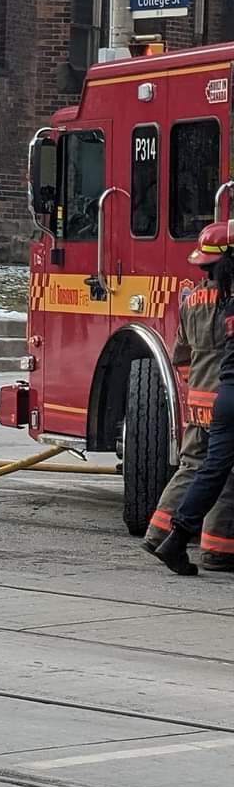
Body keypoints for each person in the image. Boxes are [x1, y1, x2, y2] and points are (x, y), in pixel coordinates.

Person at [153, 221, 234, 575]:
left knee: (192, 467)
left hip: (201, 396)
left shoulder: (191, 299)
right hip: (223, 395)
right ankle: (217, 549)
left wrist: (191, 390)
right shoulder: (226, 299)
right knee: (225, 475)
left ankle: (159, 533)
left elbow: (180, 354)